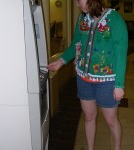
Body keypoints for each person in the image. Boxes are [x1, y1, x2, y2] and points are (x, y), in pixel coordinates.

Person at [47, 0, 128, 150]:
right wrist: (61, 61)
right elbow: (75, 45)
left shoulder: (115, 19)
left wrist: (119, 85)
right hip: (83, 78)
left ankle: (117, 148)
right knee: (89, 116)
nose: (77, 4)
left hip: (107, 80)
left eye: (78, 0)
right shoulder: (82, 19)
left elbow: (121, 54)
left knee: (111, 120)